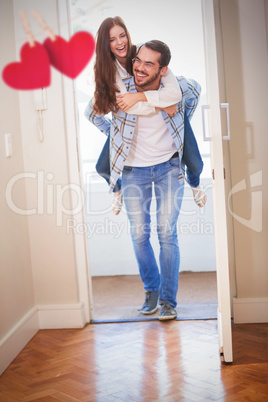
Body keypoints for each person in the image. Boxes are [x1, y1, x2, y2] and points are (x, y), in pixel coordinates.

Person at [85, 40, 201, 320]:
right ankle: (152, 288)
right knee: (139, 235)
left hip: (169, 168)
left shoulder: (178, 89)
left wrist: (178, 120)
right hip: (132, 170)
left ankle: (168, 301)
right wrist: (117, 135)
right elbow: (92, 112)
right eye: (138, 60)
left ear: (163, 70)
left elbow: (195, 93)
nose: (139, 67)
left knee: (166, 234)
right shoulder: (120, 89)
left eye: (150, 64)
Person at [91, 16, 206, 215]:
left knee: (195, 163)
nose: (120, 42)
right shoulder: (110, 72)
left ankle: (195, 185)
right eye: (112, 39)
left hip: (166, 113)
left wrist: (178, 115)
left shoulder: (145, 53)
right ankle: (117, 190)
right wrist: (160, 107)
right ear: (105, 44)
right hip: (128, 119)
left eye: (122, 35)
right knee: (102, 167)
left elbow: (174, 94)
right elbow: (128, 106)